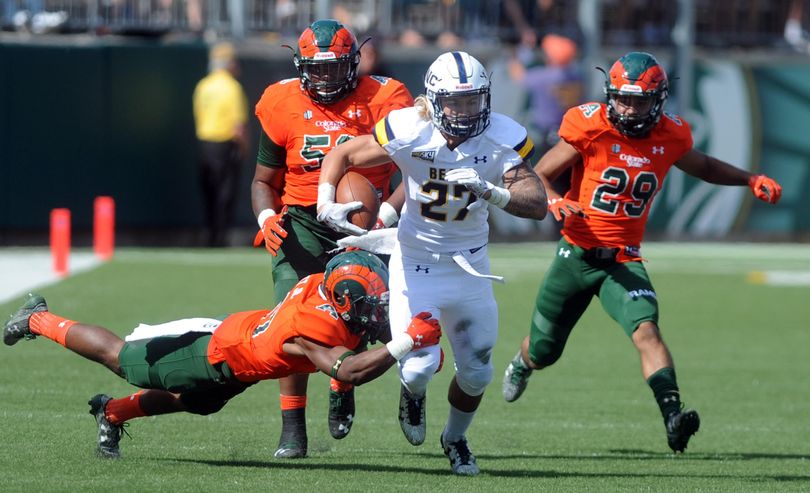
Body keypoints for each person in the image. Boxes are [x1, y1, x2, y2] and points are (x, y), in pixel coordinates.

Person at [501, 51, 783, 453]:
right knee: (544, 350)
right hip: (576, 255)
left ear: (659, 100)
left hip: (623, 261)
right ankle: (522, 363)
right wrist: (553, 201)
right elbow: (539, 174)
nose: (630, 109)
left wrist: (748, 178)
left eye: (640, 100)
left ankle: (672, 415)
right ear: (610, 95)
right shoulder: (590, 126)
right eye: (623, 99)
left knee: (647, 331)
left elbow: (701, 165)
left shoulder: (671, 135)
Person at [316, 51, 548, 475]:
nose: (464, 111)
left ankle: (455, 438)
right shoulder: (410, 129)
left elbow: (537, 204)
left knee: (478, 373)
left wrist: (492, 192)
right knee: (420, 366)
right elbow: (344, 154)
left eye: (473, 100)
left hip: (469, 267)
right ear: (435, 100)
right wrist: (325, 201)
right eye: (455, 102)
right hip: (417, 262)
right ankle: (412, 392)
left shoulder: (501, 137)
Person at [2, 252, 442, 459]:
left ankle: (111, 414)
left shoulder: (321, 288)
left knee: (197, 402)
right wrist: (407, 341)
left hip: (238, 358)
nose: (377, 310)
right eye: (370, 303)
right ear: (344, 302)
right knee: (123, 360)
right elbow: (349, 368)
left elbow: (356, 340)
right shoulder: (314, 326)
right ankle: (38, 319)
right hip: (210, 352)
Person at [250, 19, 414, 459]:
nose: (325, 78)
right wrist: (267, 217)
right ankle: (292, 428)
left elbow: (417, 171)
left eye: (335, 67)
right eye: (316, 69)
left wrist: (385, 212)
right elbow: (264, 179)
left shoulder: (385, 96)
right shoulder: (280, 100)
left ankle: (343, 380)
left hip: (363, 220)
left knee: (364, 314)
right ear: (301, 66)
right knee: (289, 324)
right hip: (301, 222)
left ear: (354, 62)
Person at [192, 42, 248, 247]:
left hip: (205, 144)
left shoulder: (203, 85)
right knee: (225, 193)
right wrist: (244, 147)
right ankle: (220, 237)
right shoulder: (232, 87)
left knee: (209, 192)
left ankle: (209, 233)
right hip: (225, 146)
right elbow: (238, 126)